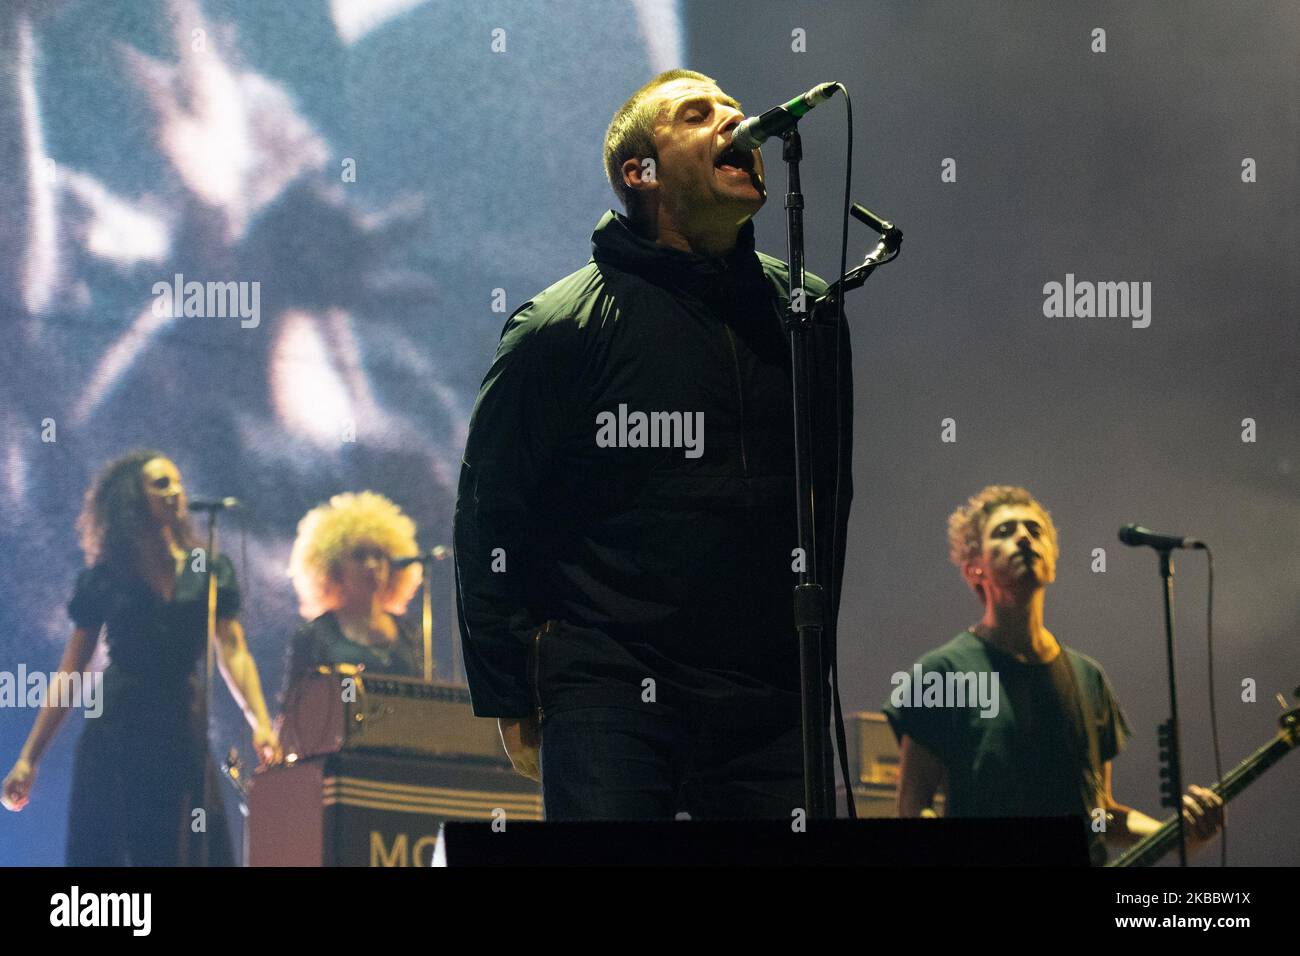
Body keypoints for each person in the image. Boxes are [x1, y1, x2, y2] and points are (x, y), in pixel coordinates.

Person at [453, 69, 854, 819]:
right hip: (610, 690)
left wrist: (811, 669)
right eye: (697, 116)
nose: (736, 125)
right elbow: (489, 511)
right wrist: (513, 692)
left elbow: (829, 499)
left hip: (766, 703)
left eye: (735, 112)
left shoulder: (808, 313)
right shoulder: (559, 327)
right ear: (640, 173)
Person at [882, 485, 1223, 865]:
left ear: (1053, 562)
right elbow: (913, 807)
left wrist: (1180, 835)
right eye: (1004, 531)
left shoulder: (1087, 677)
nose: (1024, 537)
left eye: (1034, 530)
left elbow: (1100, 814)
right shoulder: (941, 672)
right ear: (974, 566)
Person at [1, 449, 281, 865]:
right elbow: (72, 670)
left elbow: (233, 651)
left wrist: (260, 722)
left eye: (177, 482)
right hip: (118, 732)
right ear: (133, 498)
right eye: (161, 484)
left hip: (182, 727)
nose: (175, 492)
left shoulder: (208, 570)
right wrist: (28, 758)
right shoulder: (108, 577)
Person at [280, 491, 425, 704]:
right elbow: (294, 711)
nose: (372, 565)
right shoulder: (314, 636)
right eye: (359, 556)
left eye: (379, 555)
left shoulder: (409, 633)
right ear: (334, 568)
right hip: (338, 736)